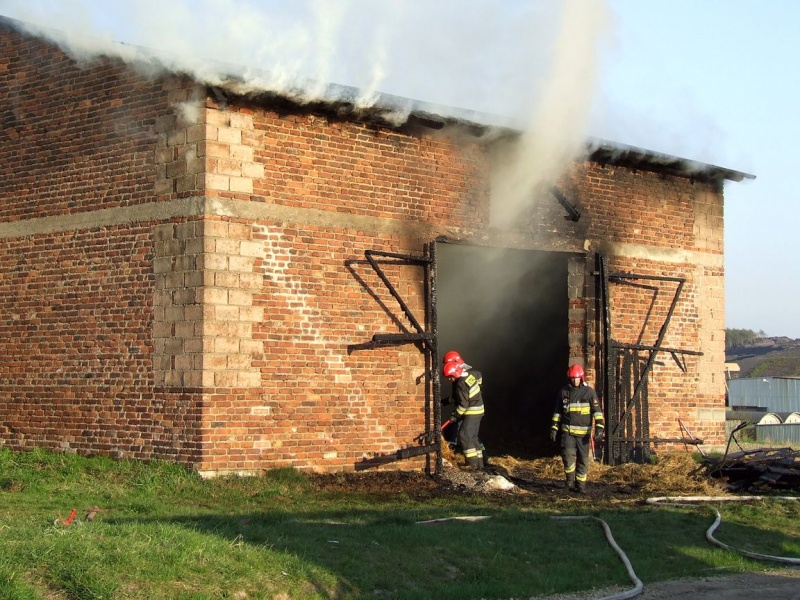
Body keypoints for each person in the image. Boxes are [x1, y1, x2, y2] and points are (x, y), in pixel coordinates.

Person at [550, 364, 604, 493]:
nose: (575, 381)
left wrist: (599, 428)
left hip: (583, 434)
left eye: (577, 378)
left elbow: (597, 412)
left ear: (581, 378)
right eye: (572, 378)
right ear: (569, 378)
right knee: (567, 456)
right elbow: (558, 412)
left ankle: (581, 485)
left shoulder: (589, 392)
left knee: (583, 460)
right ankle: (569, 481)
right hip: (568, 432)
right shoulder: (563, 392)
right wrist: (554, 428)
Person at [443, 359, 485, 470]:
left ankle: (471, 464)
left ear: (455, 373)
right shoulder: (469, 375)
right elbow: (460, 397)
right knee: (473, 437)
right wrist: (444, 402)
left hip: (472, 410)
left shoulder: (460, 384)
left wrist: (453, 416)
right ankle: (479, 464)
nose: (449, 379)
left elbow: (463, 405)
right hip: (479, 409)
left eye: (450, 377)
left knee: (464, 435)